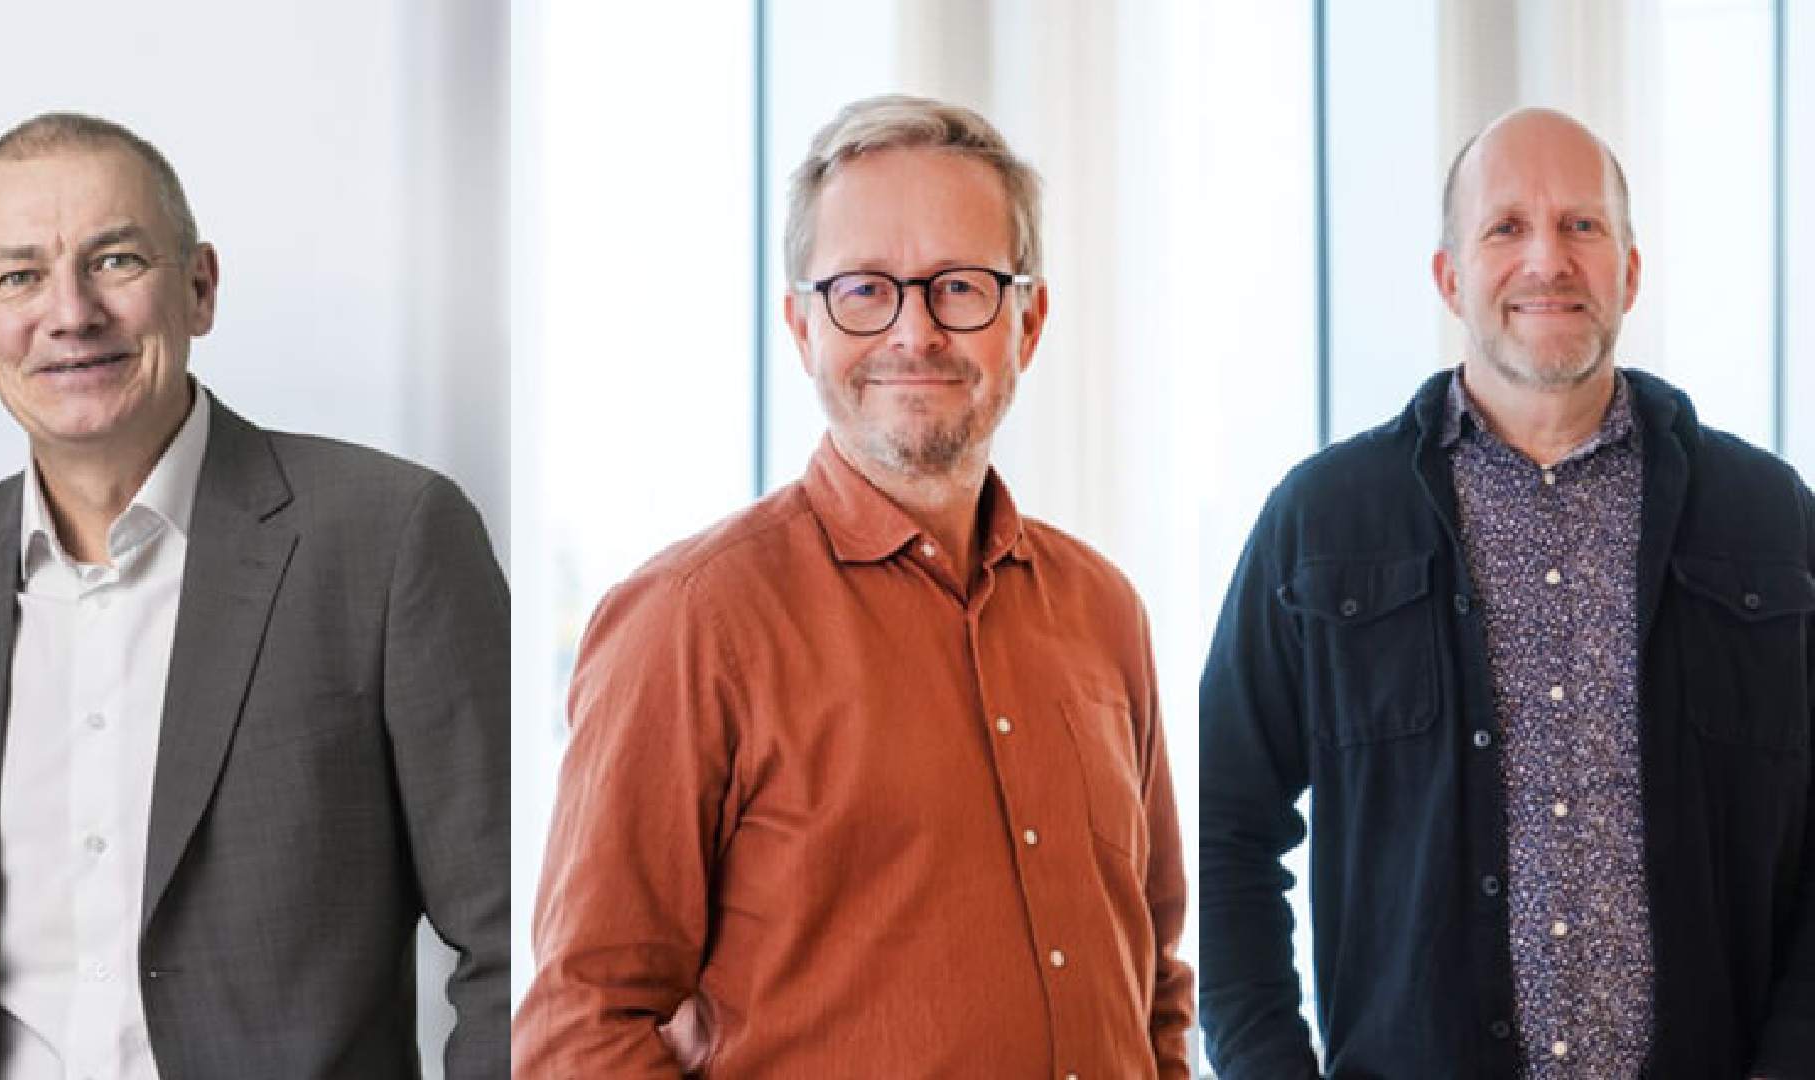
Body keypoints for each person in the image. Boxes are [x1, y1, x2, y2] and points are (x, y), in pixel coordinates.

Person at [516, 94, 1193, 1078]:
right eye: (865, 290)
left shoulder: (1104, 611)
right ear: (801, 326)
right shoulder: (689, 621)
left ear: (1028, 319)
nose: (914, 332)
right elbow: (581, 1029)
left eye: (959, 286)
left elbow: (1156, 982)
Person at [1199, 107, 1814, 1079]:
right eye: (1505, 228)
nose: (1546, 261)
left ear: (1630, 270)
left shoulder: (1770, 519)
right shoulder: (1320, 522)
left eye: (1581, 225)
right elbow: (1230, 828)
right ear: (1449, 277)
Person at [0, 112, 509, 1078]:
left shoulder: (389, 540)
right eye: (19, 277)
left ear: (200, 286)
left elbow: (520, 940)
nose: (71, 313)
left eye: (116, 261)